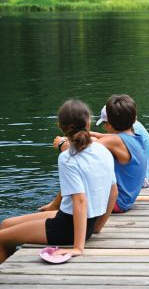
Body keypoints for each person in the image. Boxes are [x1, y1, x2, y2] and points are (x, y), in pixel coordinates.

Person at [0, 100, 117, 263]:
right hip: (82, 223)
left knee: (1, 238)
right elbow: (113, 191)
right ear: (89, 124)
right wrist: (97, 226)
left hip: (66, 229)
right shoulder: (103, 150)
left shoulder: (68, 158)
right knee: (6, 223)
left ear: (60, 127)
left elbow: (80, 201)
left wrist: (78, 247)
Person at [40, 95, 148, 214]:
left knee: (77, 171)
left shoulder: (115, 141)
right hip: (126, 200)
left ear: (110, 124)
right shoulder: (136, 138)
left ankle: (55, 206)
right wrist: (81, 131)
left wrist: (62, 144)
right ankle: (56, 205)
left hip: (116, 203)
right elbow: (99, 137)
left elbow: (85, 151)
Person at [93, 105, 149, 189]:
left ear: (111, 123)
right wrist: (94, 134)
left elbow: (95, 145)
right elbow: (109, 137)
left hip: (139, 179)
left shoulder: (120, 138)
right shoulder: (132, 128)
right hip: (140, 175)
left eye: (105, 123)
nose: (104, 126)